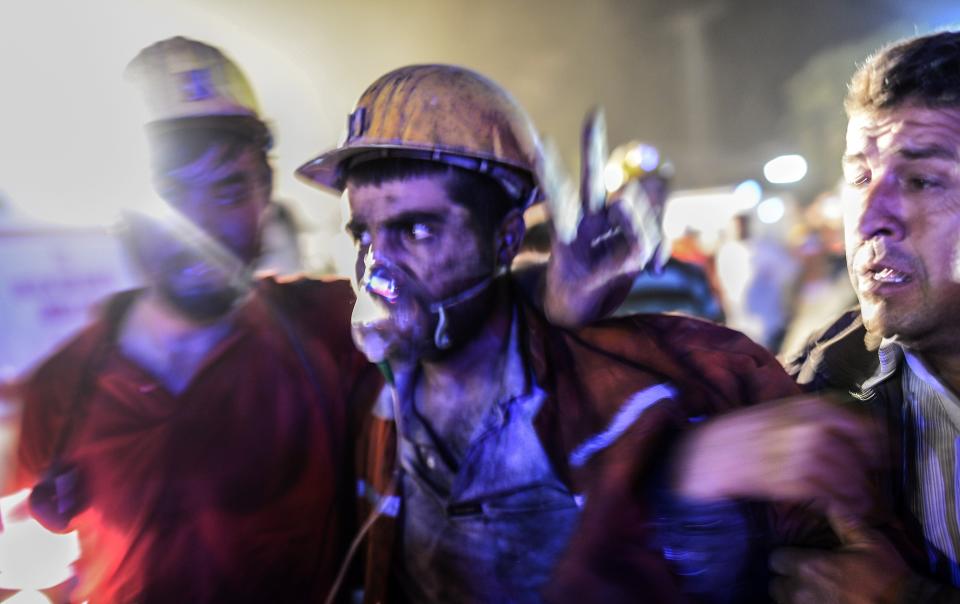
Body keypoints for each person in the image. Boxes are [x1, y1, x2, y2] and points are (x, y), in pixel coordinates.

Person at [296, 63, 802, 604]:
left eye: (417, 230)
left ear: (506, 238)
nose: (377, 268)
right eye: (362, 235)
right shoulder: (362, 385)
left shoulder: (625, 385)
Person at [9, 36, 382, 603]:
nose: (202, 225)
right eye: (172, 194)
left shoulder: (331, 329)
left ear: (265, 193)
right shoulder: (62, 390)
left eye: (229, 188)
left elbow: (484, 320)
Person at [668, 30, 960, 603]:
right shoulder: (817, 383)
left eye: (922, 180)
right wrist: (686, 487)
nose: (870, 216)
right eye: (857, 177)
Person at [606, 140, 725, 322]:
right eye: (642, 190)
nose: (653, 200)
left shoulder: (691, 277)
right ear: (614, 199)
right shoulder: (595, 285)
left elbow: (719, 341)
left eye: (659, 190)